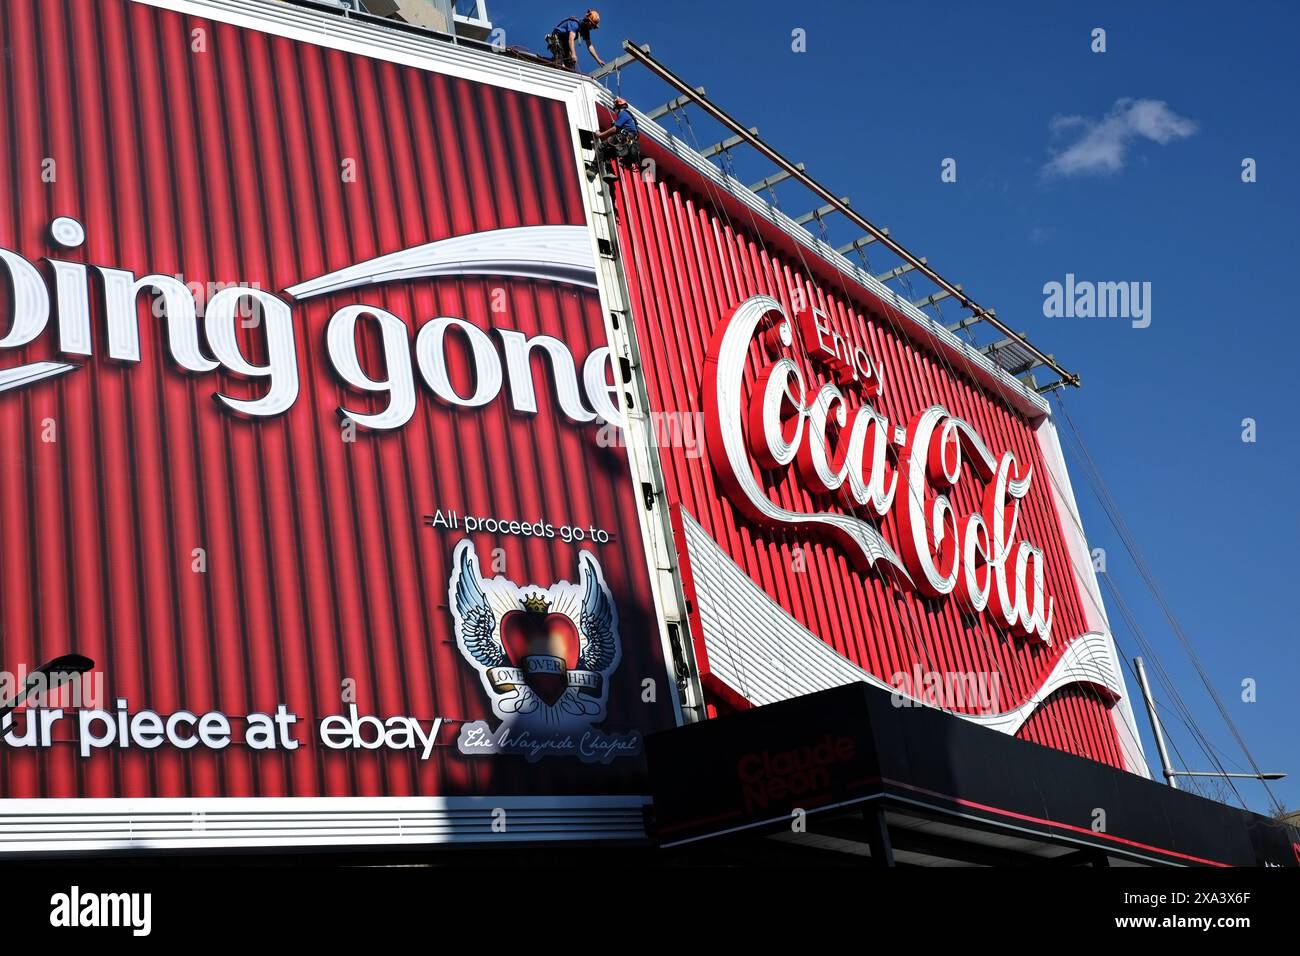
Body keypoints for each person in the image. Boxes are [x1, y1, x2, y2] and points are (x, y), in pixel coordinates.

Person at [596, 97, 641, 182]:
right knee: (607, 153)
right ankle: (610, 173)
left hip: (624, 138)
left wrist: (600, 135)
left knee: (601, 146)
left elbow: (614, 129)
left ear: (618, 108)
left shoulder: (623, 113)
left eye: (615, 109)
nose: (615, 112)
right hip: (628, 143)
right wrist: (617, 127)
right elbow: (623, 129)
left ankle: (592, 169)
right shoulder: (630, 118)